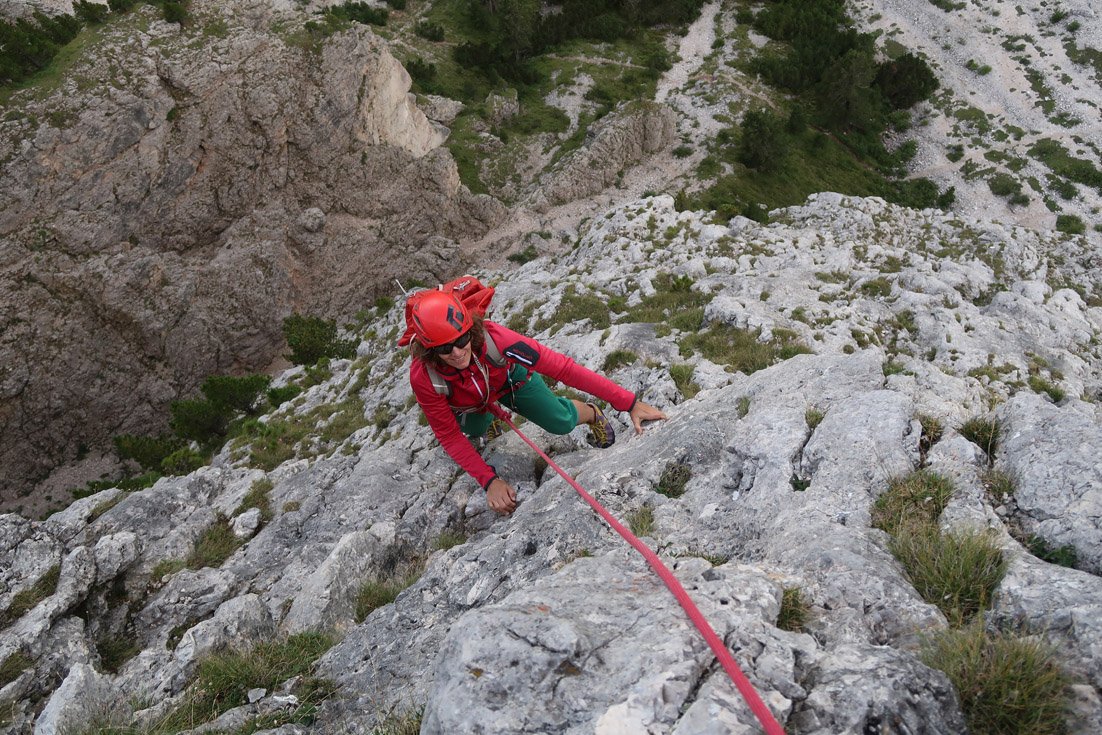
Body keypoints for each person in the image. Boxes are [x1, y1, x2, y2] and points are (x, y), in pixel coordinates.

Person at [406, 290, 667, 514]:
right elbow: (449, 436)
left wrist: (628, 402)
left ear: (469, 330)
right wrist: (490, 481)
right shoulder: (424, 377)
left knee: (561, 422)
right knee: (473, 429)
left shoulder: (495, 340)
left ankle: (591, 413)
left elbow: (563, 369)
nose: (457, 352)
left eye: (461, 340)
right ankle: (488, 418)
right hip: (468, 402)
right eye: (444, 348)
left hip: (509, 381)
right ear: (430, 350)